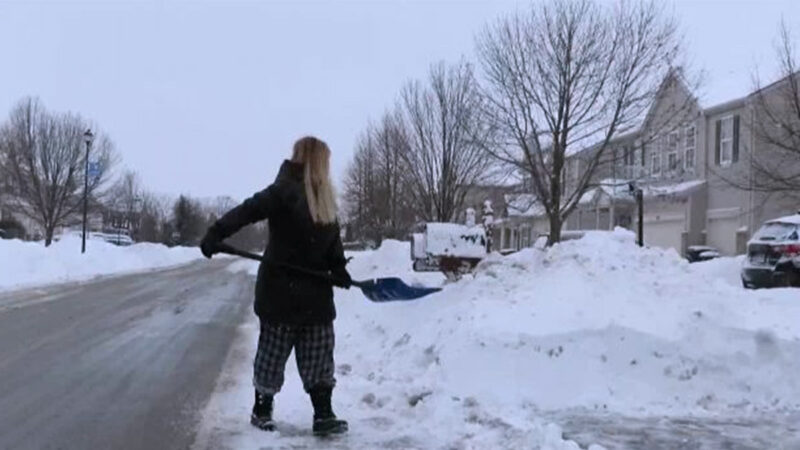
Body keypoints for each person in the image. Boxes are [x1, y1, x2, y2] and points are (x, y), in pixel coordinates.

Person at [199, 136, 352, 436]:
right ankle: (262, 409)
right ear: (317, 161)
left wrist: (339, 269)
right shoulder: (284, 191)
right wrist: (216, 233)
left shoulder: (326, 198)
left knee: (319, 355)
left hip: (317, 295)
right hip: (281, 291)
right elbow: (248, 210)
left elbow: (332, 240)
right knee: (272, 354)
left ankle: (323, 414)